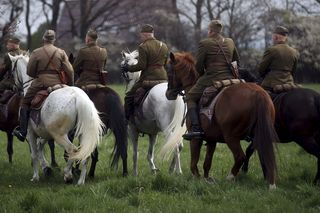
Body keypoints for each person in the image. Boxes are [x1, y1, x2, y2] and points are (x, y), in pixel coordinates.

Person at [183, 20, 240, 140]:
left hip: (211, 78)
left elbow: (198, 66)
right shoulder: (230, 42)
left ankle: (196, 129)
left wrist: (203, 75)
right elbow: (236, 61)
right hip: (230, 78)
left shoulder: (205, 43)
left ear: (210, 31)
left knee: (190, 97)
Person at [13, 29, 74, 142]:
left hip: (40, 83)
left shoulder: (36, 52)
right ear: (53, 40)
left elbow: (30, 72)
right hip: (58, 83)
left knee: (25, 103)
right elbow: (70, 70)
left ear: (43, 39)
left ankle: (22, 132)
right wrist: (71, 85)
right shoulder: (61, 52)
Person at [121, 24, 169, 121]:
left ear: (145, 35)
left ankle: (127, 120)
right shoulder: (163, 45)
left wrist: (128, 68)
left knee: (129, 96)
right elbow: (165, 63)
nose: (141, 38)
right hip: (164, 78)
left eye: (141, 36)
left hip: (148, 78)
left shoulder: (143, 46)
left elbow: (141, 66)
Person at [258, 26, 299, 93]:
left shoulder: (271, 50)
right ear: (285, 38)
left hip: (271, 85)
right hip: (289, 84)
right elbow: (293, 71)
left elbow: (261, 69)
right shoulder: (294, 52)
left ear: (276, 37)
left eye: (273, 37)